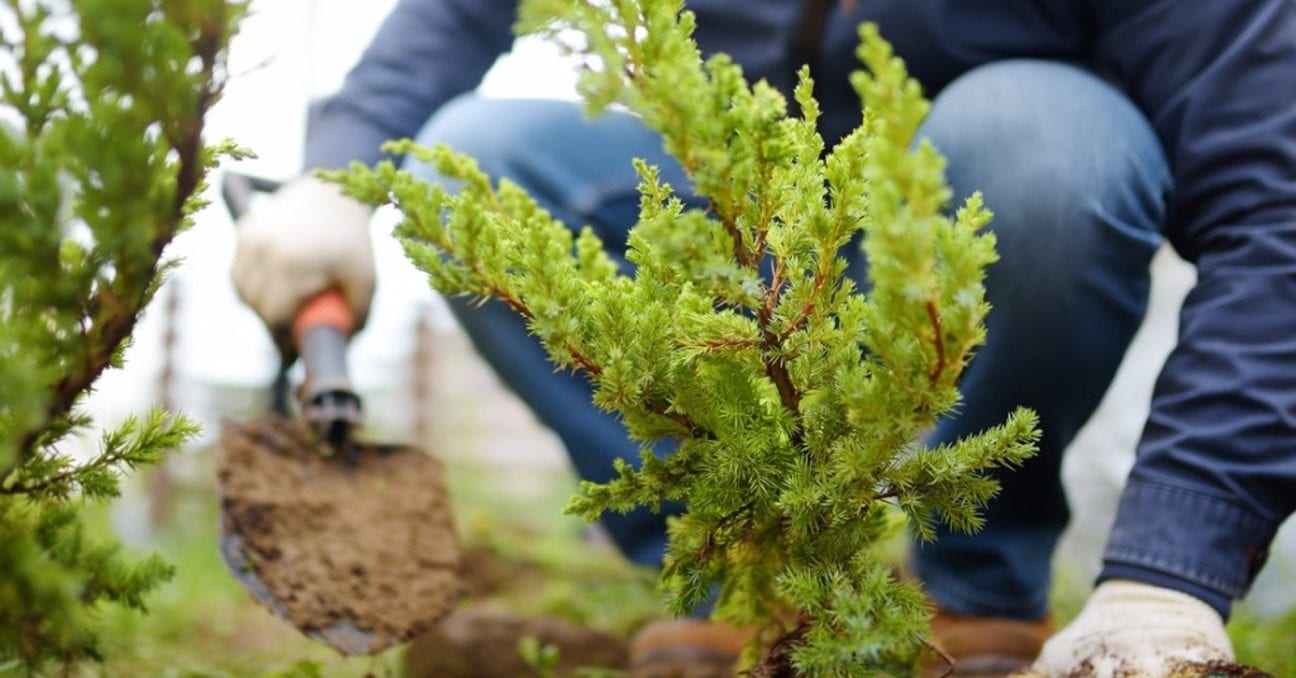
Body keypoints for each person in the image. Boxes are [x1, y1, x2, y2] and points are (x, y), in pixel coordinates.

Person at [231, 1, 1296, 675]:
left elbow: (1275, 206)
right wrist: (343, 163)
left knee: (1046, 146)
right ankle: (738, 569)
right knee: (458, 168)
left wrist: (1173, 569)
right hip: (743, 221)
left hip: (968, 229)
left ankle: (976, 584)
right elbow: (458, 15)